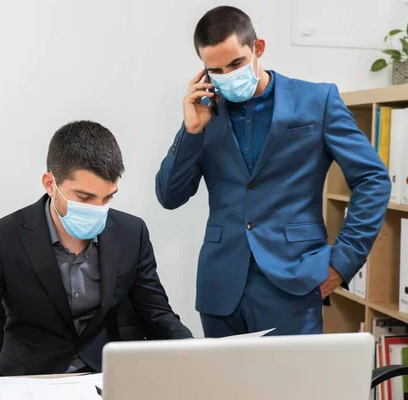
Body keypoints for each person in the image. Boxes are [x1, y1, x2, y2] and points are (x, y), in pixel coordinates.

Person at [155, 6, 391, 338]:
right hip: (221, 288)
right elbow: (169, 196)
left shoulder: (317, 100)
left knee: (293, 388)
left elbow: (373, 179)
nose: (228, 75)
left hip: (294, 282)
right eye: (216, 70)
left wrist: (343, 261)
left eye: (236, 63)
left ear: (258, 48)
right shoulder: (204, 113)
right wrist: (190, 132)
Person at [0, 120, 193, 400]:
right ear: (50, 184)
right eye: (84, 197)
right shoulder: (1, 239)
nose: (97, 210)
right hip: (28, 380)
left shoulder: (131, 232)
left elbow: (157, 313)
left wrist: (193, 350)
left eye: (107, 198)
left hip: (108, 380)